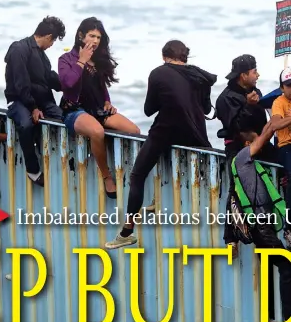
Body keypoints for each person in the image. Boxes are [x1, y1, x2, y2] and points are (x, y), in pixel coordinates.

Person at [105, 40, 216, 249]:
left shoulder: (158, 73)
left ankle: (126, 232)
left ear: (165, 56)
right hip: (196, 134)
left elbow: (148, 110)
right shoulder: (201, 76)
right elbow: (206, 108)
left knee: (138, 175)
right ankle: (158, 199)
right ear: (185, 56)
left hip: (167, 130)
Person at [59, 18, 140, 199]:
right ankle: (107, 176)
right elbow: (68, 83)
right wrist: (81, 61)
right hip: (74, 110)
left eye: (98, 37)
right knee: (97, 132)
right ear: (81, 35)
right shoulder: (66, 59)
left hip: (98, 109)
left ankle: (131, 174)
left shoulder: (99, 59)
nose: (95, 40)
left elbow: (102, 87)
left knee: (134, 130)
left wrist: (107, 102)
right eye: (91, 36)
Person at [230, 117, 291, 322]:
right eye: (255, 142)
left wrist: (271, 124)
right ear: (248, 145)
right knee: (286, 265)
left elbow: (264, 133)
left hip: (262, 223)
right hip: (260, 225)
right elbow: (266, 136)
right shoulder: (242, 159)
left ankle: (269, 313)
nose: (261, 145)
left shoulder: (249, 164)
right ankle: (287, 315)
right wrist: (273, 126)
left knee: (267, 265)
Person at [216, 54, 275, 252]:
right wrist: (249, 107)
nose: (257, 75)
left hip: (260, 142)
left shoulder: (254, 91)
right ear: (243, 75)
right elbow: (235, 126)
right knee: (236, 187)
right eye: (254, 72)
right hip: (238, 147)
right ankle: (231, 237)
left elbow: (262, 119)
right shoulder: (225, 98)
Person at [4, 16, 66, 185]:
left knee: (66, 119)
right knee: (26, 125)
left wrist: (68, 85)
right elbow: (21, 84)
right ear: (48, 37)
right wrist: (33, 107)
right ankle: (32, 169)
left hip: (42, 102)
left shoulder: (42, 56)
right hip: (19, 101)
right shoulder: (19, 49)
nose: (52, 44)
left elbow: (49, 77)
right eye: (53, 40)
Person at [271, 67, 291, 208]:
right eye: (289, 86)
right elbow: (275, 124)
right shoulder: (279, 102)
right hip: (286, 145)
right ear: (282, 88)